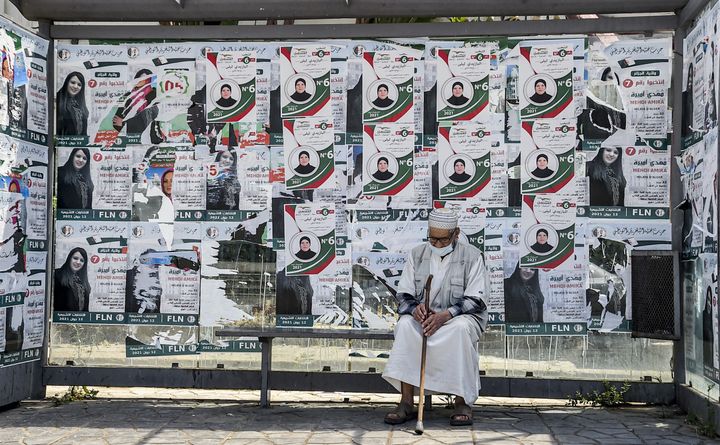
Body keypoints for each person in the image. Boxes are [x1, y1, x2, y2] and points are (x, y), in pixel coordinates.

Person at [383, 208, 489, 427]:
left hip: (459, 318)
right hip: (425, 318)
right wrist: (415, 310)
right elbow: (403, 294)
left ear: (456, 234)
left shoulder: (472, 256)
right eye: (433, 238)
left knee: (459, 330)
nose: (437, 244)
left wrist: (445, 315)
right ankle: (406, 402)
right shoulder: (417, 254)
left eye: (443, 240)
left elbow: (476, 300)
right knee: (404, 326)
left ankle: (461, 403)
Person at [113, 69, 161, 140]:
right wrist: (122, 124)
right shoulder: (127, 96)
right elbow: (117, 121)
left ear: (149, 80)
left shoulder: (155, 96)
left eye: (143, 78)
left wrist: (125, 122)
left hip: (149, 138)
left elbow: (156, 118)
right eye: (138, 78)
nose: (139, 80)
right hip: (132, 137)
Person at [53, 247, 91, 312]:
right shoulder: (57, 275)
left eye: (82, 260)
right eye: (75, 258)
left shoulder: (83, 282)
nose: (78, 262)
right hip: (62, 319)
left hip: (80, 320)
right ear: (69, 259)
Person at [56, 72, 89, 136]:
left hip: (79, 144)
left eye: (79, 85)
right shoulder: (57, 100)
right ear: (67, 83)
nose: (75, 86)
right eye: (73, 83)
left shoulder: (81, 105)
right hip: (62, 143)